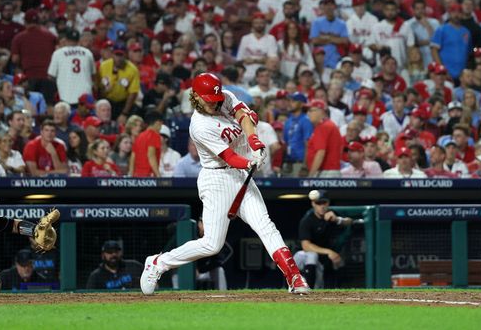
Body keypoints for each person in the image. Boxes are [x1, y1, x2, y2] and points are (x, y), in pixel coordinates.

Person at [140, 73, 310, 295]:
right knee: (212, 244)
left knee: (265, 225)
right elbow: (229, 157)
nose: (215, 102)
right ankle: (158, 263)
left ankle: (294, 276)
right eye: (209, 98)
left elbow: (244, 116)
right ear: (196, 97)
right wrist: (250, 160)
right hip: (217, 178)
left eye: (216, 97)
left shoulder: (225, 97)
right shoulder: (199, 126)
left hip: (241, 177)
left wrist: (254, 142)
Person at [294, 190, 353, 288]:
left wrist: (337, 219)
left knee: (337, 262)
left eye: (324, 202)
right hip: (299, 258)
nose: (322, 206)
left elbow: (350, 221)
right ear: (313, 204)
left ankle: (340, 289)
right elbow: (306, 246)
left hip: (318, 259)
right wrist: (329, 252)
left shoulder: (332, 215)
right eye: (318, 203)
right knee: (312, 255)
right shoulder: (307, 220)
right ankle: (303, 286)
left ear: (328, 203)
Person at [47, 29, 94, 106]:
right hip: (85, 95)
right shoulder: (87, 53)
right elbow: (93, 75)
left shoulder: (58, 53)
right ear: (79, 40)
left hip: (66, 95)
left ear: (66, 40)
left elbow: (50, 76)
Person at [304, 100, 343, 177]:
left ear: (321, 112)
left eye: (311, 111)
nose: (308, 114)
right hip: (328, 171)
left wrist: (311, 175)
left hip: (327, 172)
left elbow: (320, 153)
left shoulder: (323, 126)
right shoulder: (326, 125)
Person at [130, 110, 162, 177]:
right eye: (161, 124)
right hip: (149, 176)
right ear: (157, 123)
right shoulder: (155, 136)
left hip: (137, 176)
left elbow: (133, 157)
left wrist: (131, 174)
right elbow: (151, 156)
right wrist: (158, 175)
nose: (161, 127)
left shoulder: (139, 136)